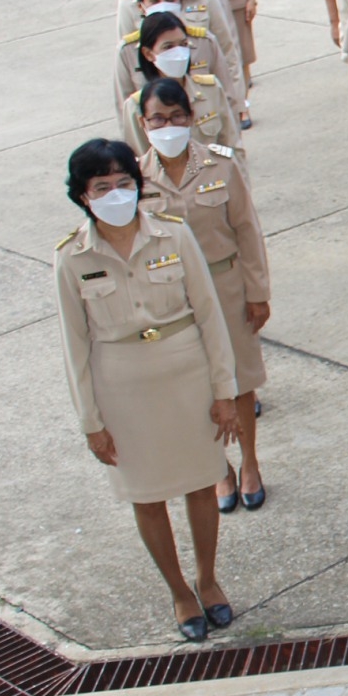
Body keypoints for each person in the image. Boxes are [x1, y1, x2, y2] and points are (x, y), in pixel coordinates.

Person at [55, 138, 240, 641]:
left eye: (124, 184)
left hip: (186, 375)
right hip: (123, 388)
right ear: (82, 196)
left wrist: (225, 391)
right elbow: (75, 347)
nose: (116, 194)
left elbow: (209, 315)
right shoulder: (72, 258)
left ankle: (208, 577)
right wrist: (91, 422)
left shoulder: (173, 236)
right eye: (102, 187)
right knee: (148, 496)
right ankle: (180, 591)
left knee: (202, 481)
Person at [136, 80, 271, 512]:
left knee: (240, 382)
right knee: (195, 388)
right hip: (174, 299)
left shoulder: (220, 165)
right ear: (144, 124)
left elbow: (247, 230)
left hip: (226, 286)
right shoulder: (136, 179)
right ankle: (220, 468)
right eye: (158, 119)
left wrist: (258, 292)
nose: (168, 126)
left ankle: (249, 463)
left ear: (190, 118)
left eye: (176, 117)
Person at [117, 10, 241, 155]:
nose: (179, 52)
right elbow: (140, 161)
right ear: (149, 54)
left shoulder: (211, 89)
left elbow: (232, 147)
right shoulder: (135, 106)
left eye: (183, 44)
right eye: (168, 47)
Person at [120, 0, 240, 116]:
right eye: (154, 0)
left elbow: (227, 96)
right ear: (141, 6)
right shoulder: (127, 50)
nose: (163, 5)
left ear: (180, 1)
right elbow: (124, 108)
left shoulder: (204, 41)